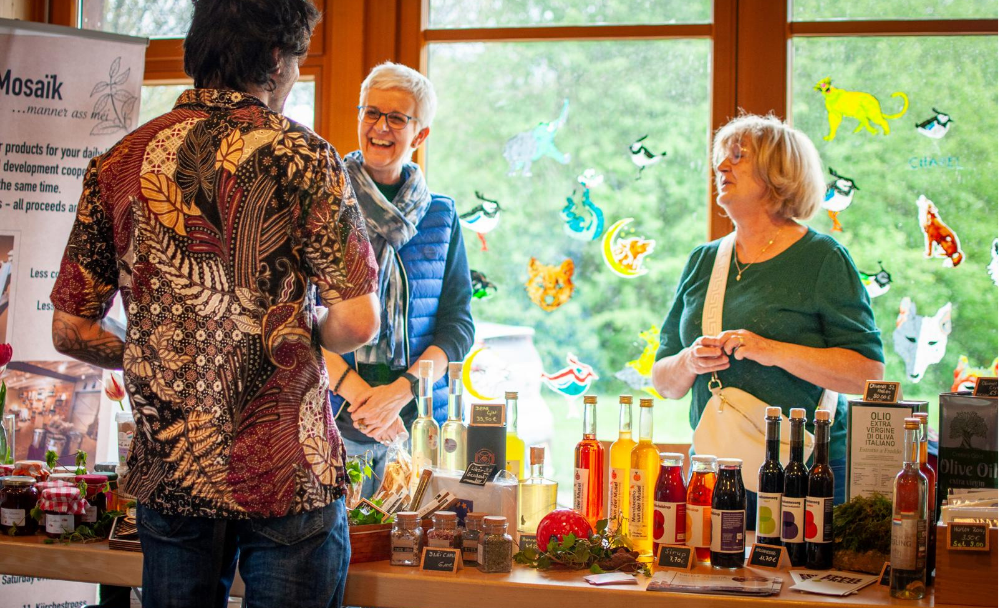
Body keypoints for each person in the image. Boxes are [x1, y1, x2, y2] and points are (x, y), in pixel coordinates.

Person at [48, 1, 380, 606]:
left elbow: (70, 330)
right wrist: (296, 339)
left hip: (172, 467)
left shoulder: (119, 163)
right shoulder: (305, 158)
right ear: (277, 60)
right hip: (287, 467)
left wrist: (154, 354)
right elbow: (357, 321)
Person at [651, 114, 884, 508]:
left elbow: (866, 374)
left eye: (738, 156)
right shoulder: (702, 261)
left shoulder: (823, 258)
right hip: (714, 468)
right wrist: (690, 361)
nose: (722, 167)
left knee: (800, 573)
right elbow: (663, 382)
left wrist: (769, 349)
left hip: (808, 470)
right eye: (720, 159)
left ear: (778, 172)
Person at [324, 62, 475, 498]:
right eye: (371, 113)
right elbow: (297, 316)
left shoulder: (441, 216)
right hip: (332, 413)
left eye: (396, 118)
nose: (380, 127)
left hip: (420, 421)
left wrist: (400, 392)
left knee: (418, 551)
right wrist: (359, 396)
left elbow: (457, 326)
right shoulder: (322, 204)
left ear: (420, 134)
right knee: (340, 550)